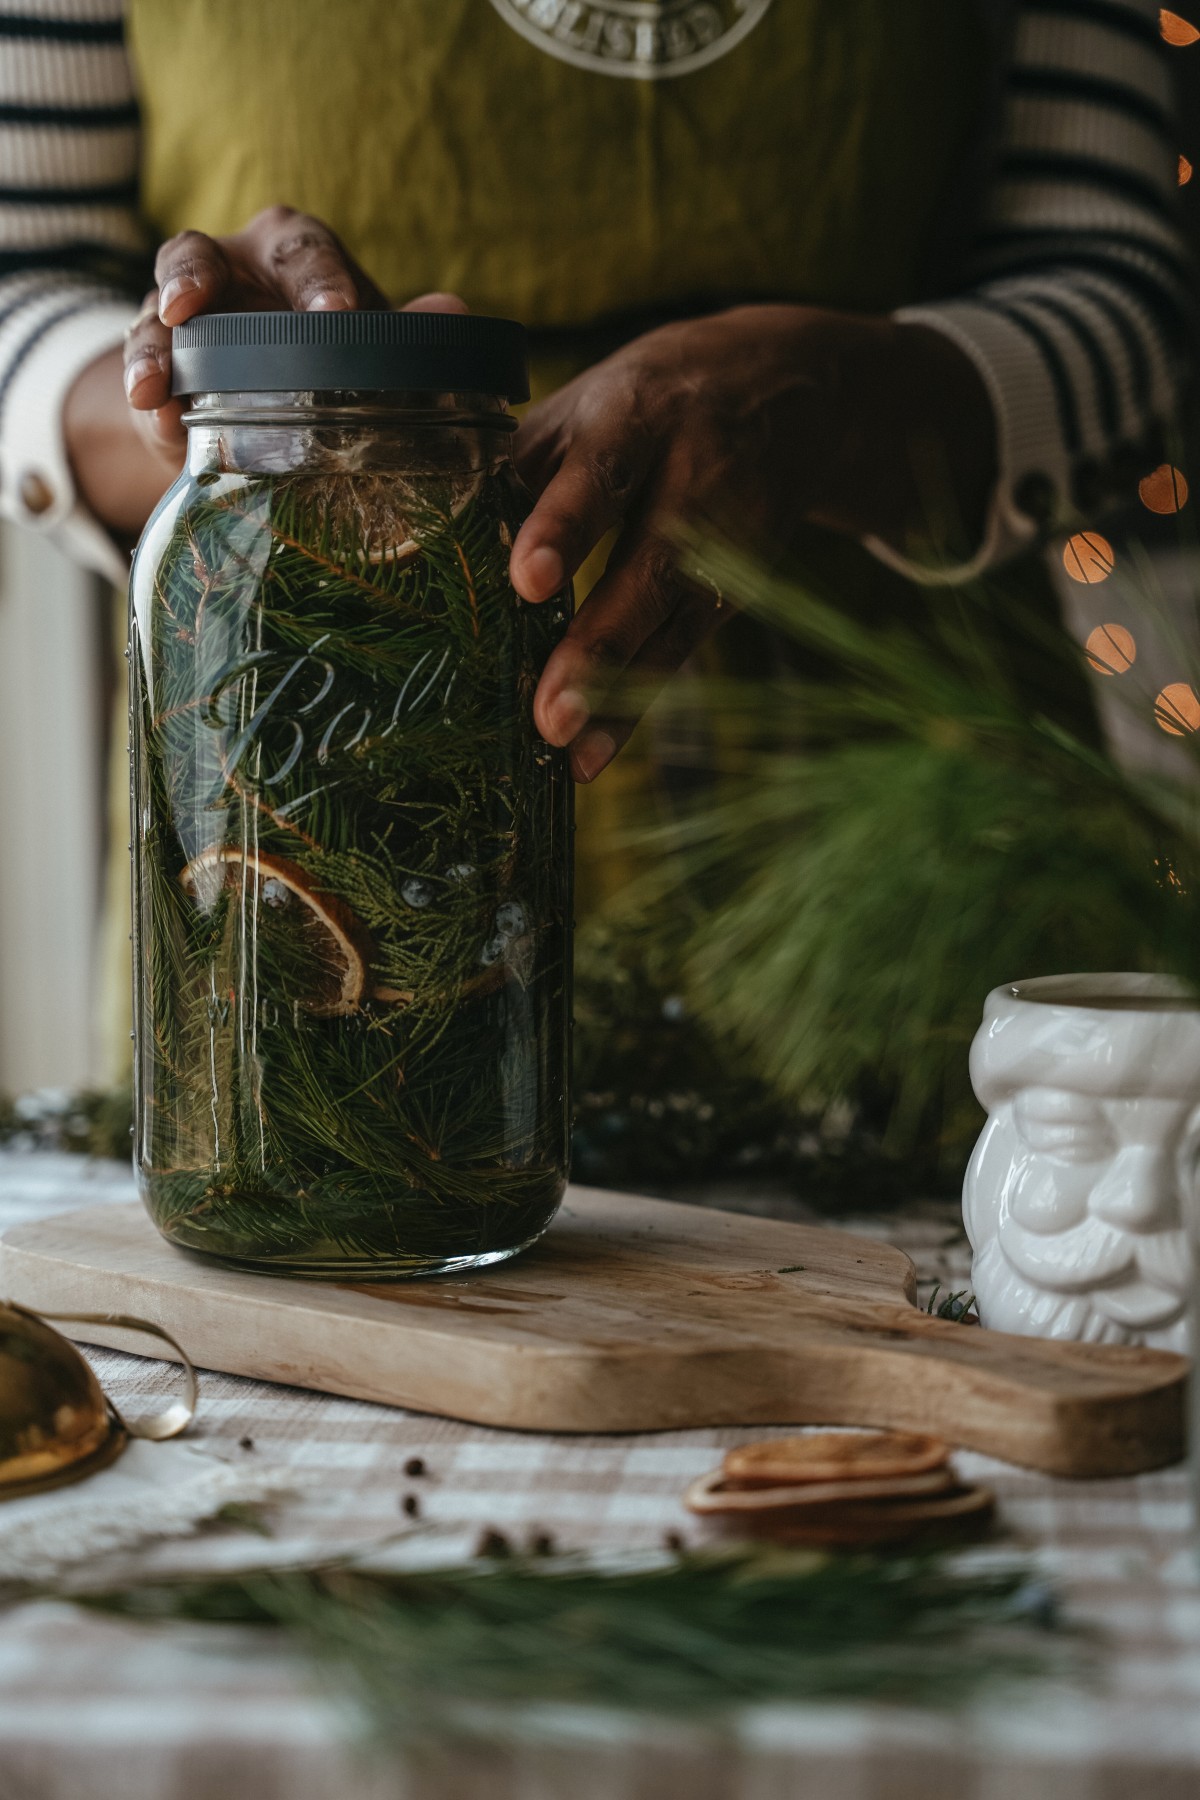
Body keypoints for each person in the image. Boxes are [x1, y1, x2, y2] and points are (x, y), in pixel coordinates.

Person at [0, 0, 1190, 1043]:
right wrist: (229, 413)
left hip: (908, 839)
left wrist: (850, 400)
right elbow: (21, 281)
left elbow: (1131, 307)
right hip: (294, 834)